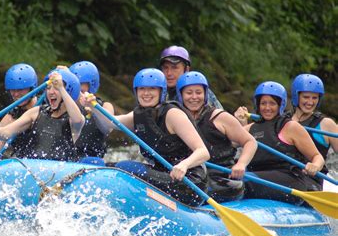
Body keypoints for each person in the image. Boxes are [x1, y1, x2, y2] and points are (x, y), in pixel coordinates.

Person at [84, 68, 210, 206]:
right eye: (142, 89)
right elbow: (110, 123)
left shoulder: (173, 114)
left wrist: (184, 165)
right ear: (136, 91)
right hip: (162, 174)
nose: (146, 93)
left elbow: (203, 152)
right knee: (96, 164)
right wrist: (93, 107)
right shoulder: (140, 114)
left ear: (161, 92)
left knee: (126, 167)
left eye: (152, 89)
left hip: (189, 182)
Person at [234, 81, 325, 205]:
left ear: (280, 105)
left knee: (241, 181)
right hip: (258, 176)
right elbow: (228, 142)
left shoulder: (291, 127)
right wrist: (238, 122)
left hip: (290, 181)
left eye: (272, 103)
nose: (267, 108)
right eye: (263, 103)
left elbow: (317, 157)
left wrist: (315, 166)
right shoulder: (251, 128)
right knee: (228, 176)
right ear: (257, 105)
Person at [176, 71, 257, 202]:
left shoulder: (219, 117)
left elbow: (250, 141)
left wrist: (241, 164)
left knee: (192, 188)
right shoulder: (176, 117)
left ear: (205, 94)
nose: (194, 97)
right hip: (193, 176)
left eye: (198, 92)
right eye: (189, 93)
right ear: (181, 95)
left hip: (223, 179)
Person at [0, 68, 84, 162]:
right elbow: (6, 133)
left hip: (60, 171)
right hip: (33, 167)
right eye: (48, 88)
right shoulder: (36, 112)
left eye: (55, 88)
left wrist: (61, 88)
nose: (51, 92)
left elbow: (78, 120)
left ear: (68, 92)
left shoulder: (73, 119)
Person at [0, 63, 38, 173]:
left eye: (20, 89)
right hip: (23, 167)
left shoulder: (45, 107)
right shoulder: (10, 117)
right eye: (12, 90)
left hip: (47, 164)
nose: (16, 94)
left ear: (31, 88)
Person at [287, 74, 337, 182]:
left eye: (314, 98)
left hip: (312, 180)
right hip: (285, 175)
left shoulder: (326, 124)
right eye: (306, 97)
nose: (310, 102)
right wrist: (243, 122)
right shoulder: (283, 120)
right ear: (297, 96)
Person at [69, 61, 114, 160]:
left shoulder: (105, 106)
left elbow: (107, 128)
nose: (76, 87)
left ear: (91, 85)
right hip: (68, 159)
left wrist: (94, 111)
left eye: (80, 84)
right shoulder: (65, 103)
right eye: (74, 83)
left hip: (91, 160)